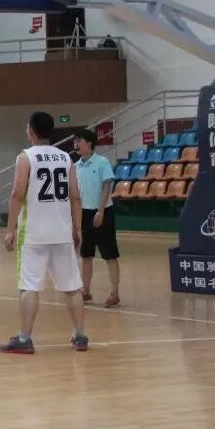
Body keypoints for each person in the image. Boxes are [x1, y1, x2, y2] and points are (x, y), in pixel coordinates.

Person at [0, 111, 88, 354]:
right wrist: (78, 228)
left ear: (31, 131)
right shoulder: (66, 158)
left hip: (33, 233)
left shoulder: (25, 157)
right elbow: (76, 196)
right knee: (72, 287)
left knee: (29, 286)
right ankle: (80, 335)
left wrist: (10, 229)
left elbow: (17, 194)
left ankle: (25, 338)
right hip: (62, 231)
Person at [73, 129, 121, 308]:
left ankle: (115, 294)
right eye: (75, 141)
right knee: (86, 255)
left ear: (89, 143)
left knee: (110, 255)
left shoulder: (102, 162)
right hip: (83, 214)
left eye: (79, 141)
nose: (76, 144)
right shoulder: (75, 166)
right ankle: (85, 292)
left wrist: (100, 212)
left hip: (102, 213)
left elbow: (107, 187)